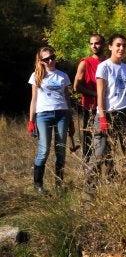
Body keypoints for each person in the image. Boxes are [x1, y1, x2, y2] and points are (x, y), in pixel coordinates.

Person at [87, 34, 126, 194]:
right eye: (118, 45)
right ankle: (89, 195)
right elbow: (100, 95)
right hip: (107, 114)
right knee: (99, 154)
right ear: (110, 47)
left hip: (124, 114)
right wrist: (102, 118)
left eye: (124, 45)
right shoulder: (104, 66)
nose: (121, 48)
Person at [28, 46, 74, 193]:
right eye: (46, 59)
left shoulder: (63, 76)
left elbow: (67, 98)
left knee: (60, 151)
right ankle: (38, 185)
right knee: (44, 150)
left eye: (52, 57)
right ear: (40, 61)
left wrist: (71, 120)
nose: (50, 61)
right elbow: (33, 99)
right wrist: (31, 120)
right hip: (43, 116)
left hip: (62, 114)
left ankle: (59, 185)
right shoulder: (36, 76)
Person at [73, 34, 105, 163]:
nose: (94, 46)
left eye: (97, 43)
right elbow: (76, 87)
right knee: (88, 140)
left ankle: (110, 172)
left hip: (107, 107)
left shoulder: (107, 63)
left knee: (105, 140)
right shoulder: (85, 63)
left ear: (103, 44)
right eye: (91, 44)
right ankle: (87, 170)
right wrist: (96, 94)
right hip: (90, 107)